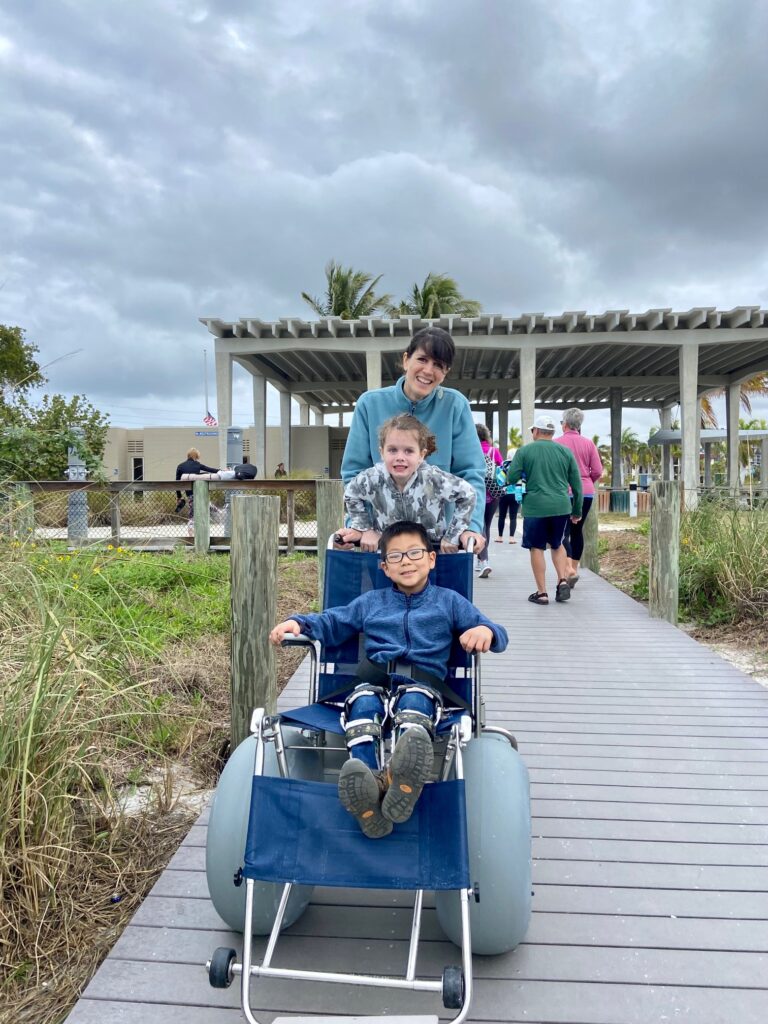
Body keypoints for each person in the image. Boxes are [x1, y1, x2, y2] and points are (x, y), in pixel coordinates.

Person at [269, 520, 508, 839]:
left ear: (432, 559)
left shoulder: (449, 602)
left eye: (414, 553)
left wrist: (485, 631)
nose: (406, 561)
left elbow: (496, 632)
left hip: (424, 688)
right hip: (374, 684)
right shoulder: (371, 602)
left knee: (414, 702)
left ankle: (401, 777)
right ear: (383, 567)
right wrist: (298, 624)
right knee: (363, 702)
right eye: (395, 556)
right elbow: (333, 622)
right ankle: (368, 784)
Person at [340, 326, 486, 554]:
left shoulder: (455, 405)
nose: (428, 370)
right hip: (382, 542)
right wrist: (362, 527)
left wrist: (470, 527)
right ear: (406, 360)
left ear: (445, 372)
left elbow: (471, 472)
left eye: (438, 365)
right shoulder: (370, 404)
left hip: (439, 543)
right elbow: (353, 473)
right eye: (422, 359)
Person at [335, 414, 476, 553]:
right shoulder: (372, 478)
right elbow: (351, 493)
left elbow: (467, 494)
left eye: (409, 451)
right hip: (388, 556)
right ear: (382, 453)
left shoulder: (433, 479)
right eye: (392, 450)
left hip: (429, 555)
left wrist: (453, 535)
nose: (400, 457)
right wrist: (364, 528)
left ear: (421, 455)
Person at [505, 414, 583, 605]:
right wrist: (577, 511)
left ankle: (542, 593)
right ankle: (562, 580)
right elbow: (577, 485)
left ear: (537, 431)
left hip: (535, 506)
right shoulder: (565, 452)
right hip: (561, 506)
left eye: (533, 430)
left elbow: (511, 477)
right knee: (558, 544)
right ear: (552, 432)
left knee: (537, 547)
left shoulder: (525, 451)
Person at [555, 408, 603, 586]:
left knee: (562, 532)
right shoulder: (589, 444)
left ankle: (569, 569)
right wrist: (587, 481)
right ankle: (574, 567)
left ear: (565, 424)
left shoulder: (557, 443)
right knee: (578, 530)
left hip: (562, 492)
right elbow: (597, 470)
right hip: (586, 492)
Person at [474, 424, 503, 578]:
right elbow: (502, 469)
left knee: (481, 527)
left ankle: (483, 560)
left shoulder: (472, 450)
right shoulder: (494, 451)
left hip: (477, 493)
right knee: (487, 525)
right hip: (493, 493)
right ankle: (482, 559)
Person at [175, 447, 219, 515]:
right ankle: (218, 513)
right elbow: (211, 470)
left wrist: (179, 496)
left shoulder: (180, 466)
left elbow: (177, 483)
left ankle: (192, 522)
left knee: (193, 512)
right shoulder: (197, 465)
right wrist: (222, 471)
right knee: (206, 505)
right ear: (196, 456)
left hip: (190, 494)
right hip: (200, 491)